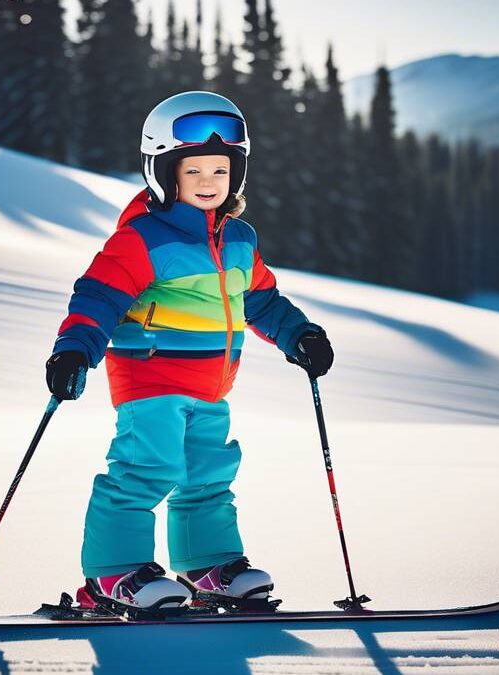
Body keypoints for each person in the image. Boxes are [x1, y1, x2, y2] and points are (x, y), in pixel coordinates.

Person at [45, 91, 334, 613]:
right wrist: (74, 349)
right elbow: (98, 296)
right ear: (163, 172)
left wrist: (300, 335)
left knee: (208, 473)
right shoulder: (143, 238)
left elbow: (261, 300)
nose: (208, 183)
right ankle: (114, 574)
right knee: (144, 469)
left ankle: (208, 565)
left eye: (220, 172)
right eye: (194, 170)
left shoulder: (239, 239)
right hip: (151, 380)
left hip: (211, 385)